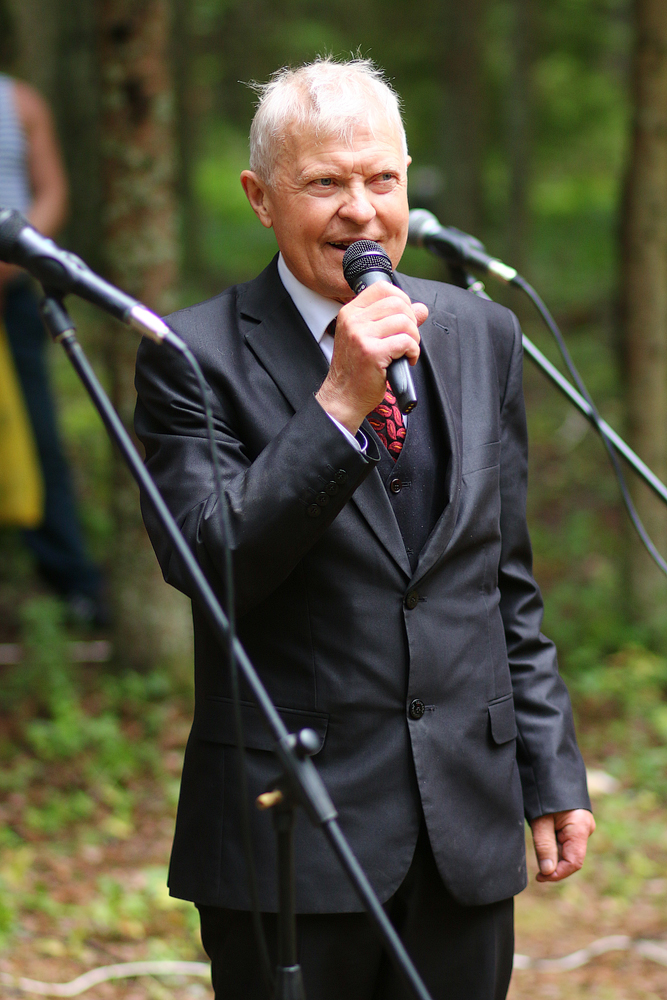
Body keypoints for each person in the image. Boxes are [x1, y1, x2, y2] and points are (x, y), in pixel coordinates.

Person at [134, 58, 595, 1000]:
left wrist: (547, 768)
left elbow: (501, 579)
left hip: (463, 822)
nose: (360, 211)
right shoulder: (191, 354)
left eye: (381, 178)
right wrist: (338, 405)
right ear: (260, 198)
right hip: (292, 837)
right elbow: (209, 563)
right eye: (324, 184)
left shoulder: (479, 333)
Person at [0, 73, 105, 626]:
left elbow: (53, 193)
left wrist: (14, 256)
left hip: (14, 296)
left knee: (37, 432)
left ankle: (72, 583)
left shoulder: (21, 103)